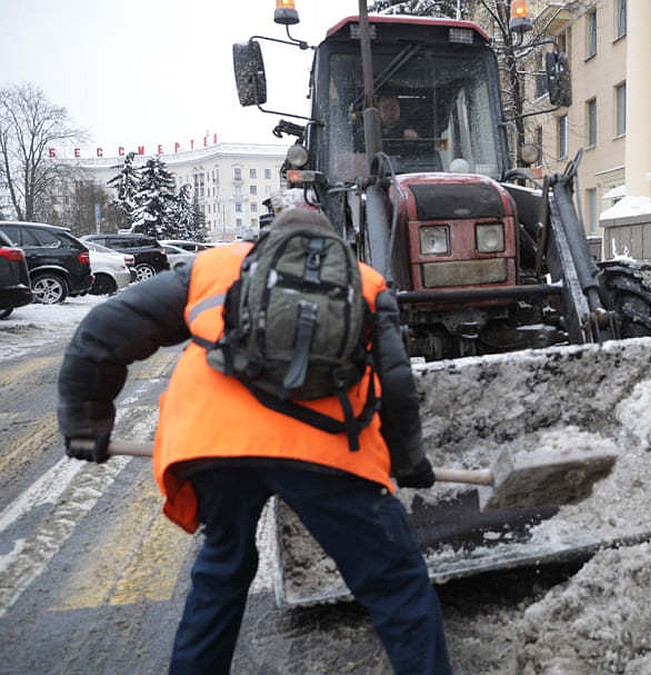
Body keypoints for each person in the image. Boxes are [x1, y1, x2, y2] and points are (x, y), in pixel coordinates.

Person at [57, 208, 453, 675]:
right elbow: (397, 383)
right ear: (330, 245)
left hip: (216, 445)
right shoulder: (365, 281)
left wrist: (86, 423)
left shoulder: (211, 267)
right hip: (326, 450)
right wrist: (408, 463)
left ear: (264, 240)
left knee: (221, 571)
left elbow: (103, 331)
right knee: (395, 583)